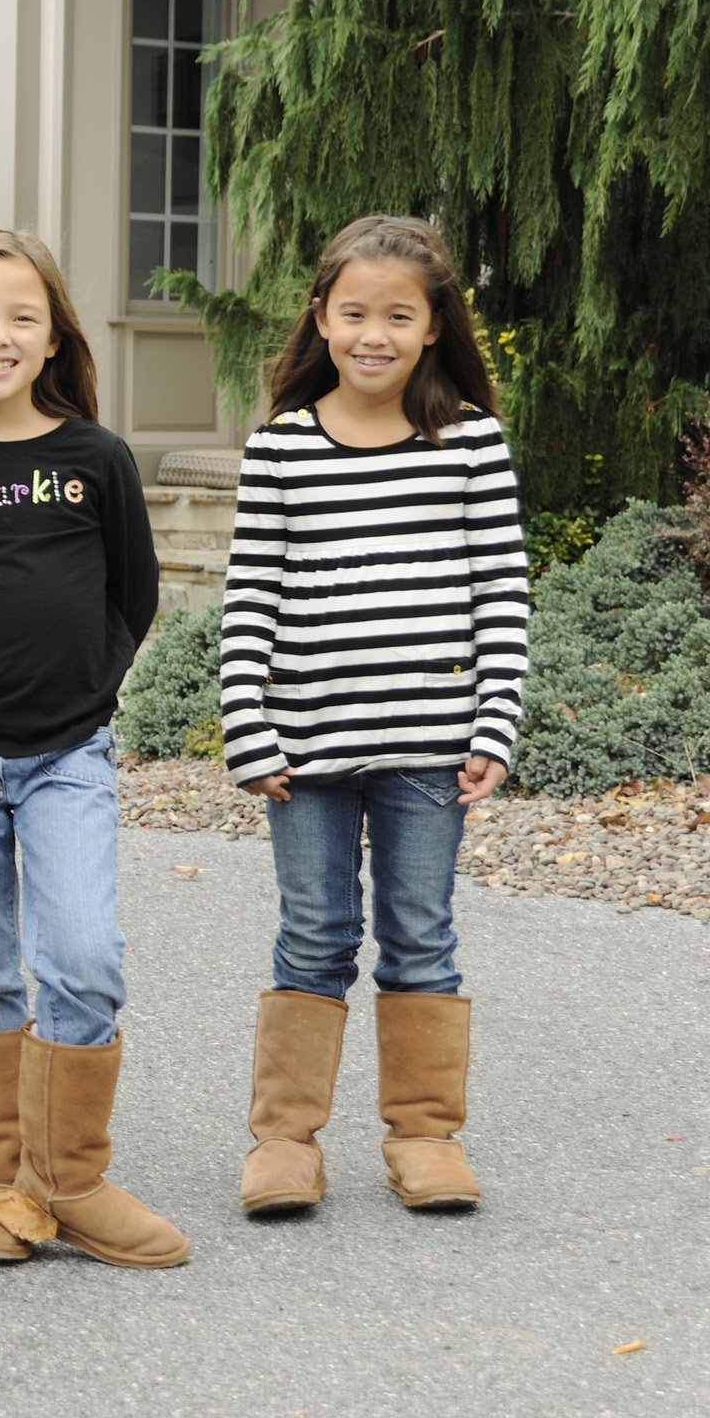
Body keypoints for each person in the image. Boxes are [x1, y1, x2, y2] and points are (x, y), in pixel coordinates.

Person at [0, 231, 185, 1270]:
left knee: (85, 957)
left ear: (54, 335)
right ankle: (3, 1184)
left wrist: (85, 690)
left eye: (21, 315)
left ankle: (75, 1178)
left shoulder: (94, 456)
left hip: (66, 755)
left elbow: (133, 594)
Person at [218, 215, 530, 1218]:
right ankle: (285, 1137)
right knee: (312, 932)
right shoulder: (282, 447)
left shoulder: (469, 443)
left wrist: (493, 724)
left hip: (428, 749)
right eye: (354, 312)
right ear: (322, 317)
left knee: (420, 932)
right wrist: (248, 727)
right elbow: (250, 597)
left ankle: (425, 1133)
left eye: (399, 315)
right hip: (305, 748)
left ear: (435, 325)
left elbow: (502, 595)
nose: (374, 334)